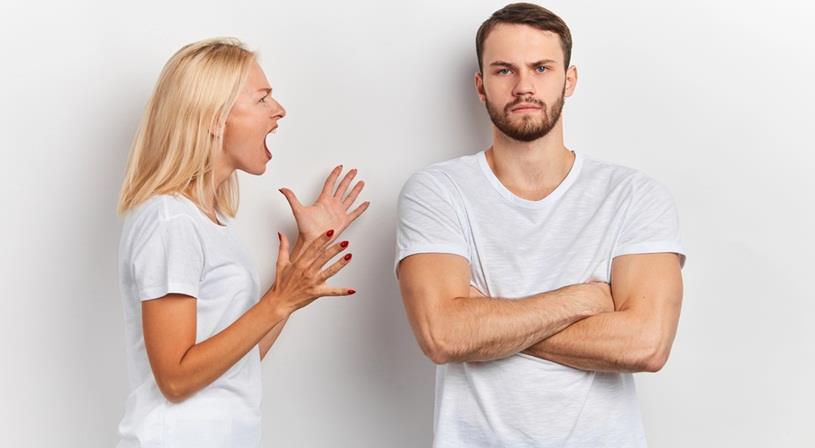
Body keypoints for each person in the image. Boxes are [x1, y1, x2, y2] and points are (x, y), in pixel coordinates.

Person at [396, 3, 685, 447]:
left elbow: (646, 345)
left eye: (541, 68)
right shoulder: (438, 191)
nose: (524, 87)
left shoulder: (633, 195)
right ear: (481, 85)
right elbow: (443, 335)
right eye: (504, 70)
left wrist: (484, 323)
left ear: (569, 80)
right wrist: (582, 299)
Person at [116, 37, 369, 447]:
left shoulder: (209, 223)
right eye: (262, 98)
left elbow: (239, 363)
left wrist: (302, 262)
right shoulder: (170, 222)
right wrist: (279, 301)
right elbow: (175, 379)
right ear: (214, 118)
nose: (279, 109)